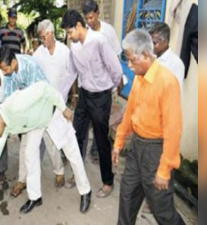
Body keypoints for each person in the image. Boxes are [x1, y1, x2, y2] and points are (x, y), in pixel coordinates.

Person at [0, 82, 92, 214]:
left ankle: (86, 191)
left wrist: (63, 108)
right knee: (29, 155)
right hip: (35, 124)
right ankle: (35, 197)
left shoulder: (15, 105)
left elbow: (44, 88)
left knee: (72, 153)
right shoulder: (2, 125)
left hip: (51, 114)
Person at [113, 29, 185, 225]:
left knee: (162, 210)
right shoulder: (138, 78)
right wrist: (119, 141)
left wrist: (164, 169)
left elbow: (173, 130)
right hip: (137, 148)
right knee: (127, 196)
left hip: (157, 151)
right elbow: (129, 113)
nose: (129, 65)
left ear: (145, 54)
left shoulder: (167, 82)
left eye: (132, 60)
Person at [61, 10, 122, 198]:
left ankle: (107, 181)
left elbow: (115, 69)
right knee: (75, 135)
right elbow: (71, 72)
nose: (69, 37)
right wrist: (61, 96)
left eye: (70, 32)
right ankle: (77, 175)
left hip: (101, 97)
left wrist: (110, 91)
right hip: (84, 96)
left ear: (79, 26)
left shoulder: (99, 41)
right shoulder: (75, 47)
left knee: (102, 139)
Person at [0, 46, 66, 197]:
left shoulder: (30, 65)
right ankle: (22, 180)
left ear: (13, 63)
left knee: (50, 140)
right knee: (25, 146)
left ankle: (59, 172)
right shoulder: (9, 74)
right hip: (28, 110)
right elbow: (10, 96)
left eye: (6, 69)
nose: (5, 73)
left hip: (44, 104)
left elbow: (36, 95)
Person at [81, 0, 123, 163]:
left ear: (98, 13)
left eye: (91, 17)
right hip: (89, 86)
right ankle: (80, 152)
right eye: (87, 19)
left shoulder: (108, 31)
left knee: (101, 121)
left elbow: (117, 56)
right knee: (85, 123)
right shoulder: (85, 33)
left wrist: (119, 80)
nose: (89, 22)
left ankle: (96, 150)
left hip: (106, 86)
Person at [149, 22, 185, 92]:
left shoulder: (176, 64)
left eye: (154, 43)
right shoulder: (152, 58)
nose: (151, 46)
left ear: (165, 42)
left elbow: (176, 93)